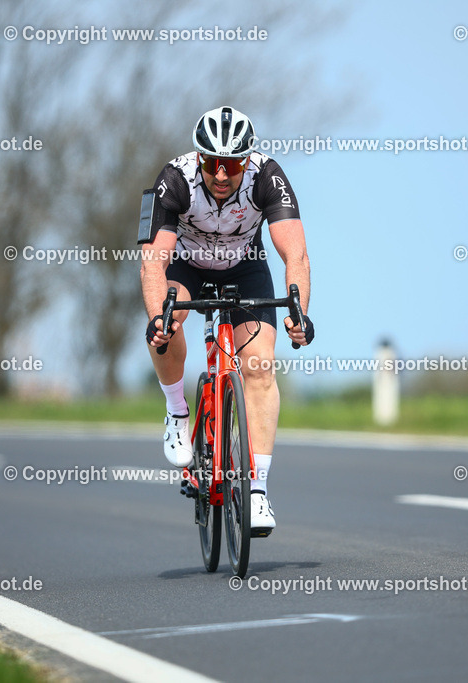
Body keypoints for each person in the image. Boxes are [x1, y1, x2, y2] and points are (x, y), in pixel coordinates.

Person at [139, 105, 313, 536]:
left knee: (259, 367)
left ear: (247, 160)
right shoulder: (175, 179)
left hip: (245, 266)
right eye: (212, 162)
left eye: (232, 164)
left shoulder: (267, 176)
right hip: (187, 267)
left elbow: (295, 254)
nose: (221, 174)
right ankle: (177, 410)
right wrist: (158, 317)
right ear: (199, 157)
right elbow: (153, 262)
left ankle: (257, 490)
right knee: (166, 324)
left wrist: (300, 314)